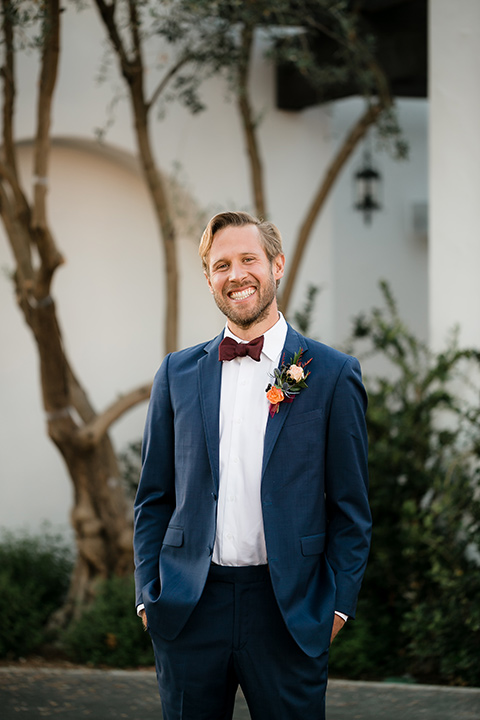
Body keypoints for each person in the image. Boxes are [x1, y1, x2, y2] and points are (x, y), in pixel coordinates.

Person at [134, 211, 371, 720]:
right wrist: (147, 595)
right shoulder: (176, 373)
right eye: (221, 264)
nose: (236, 274)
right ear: (208, 278)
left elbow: (352, 508)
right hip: (190, 607)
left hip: (288, 609)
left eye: (248, 259)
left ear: (276, 264)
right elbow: (153, 497)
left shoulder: (329, 374)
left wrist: (336, 606)